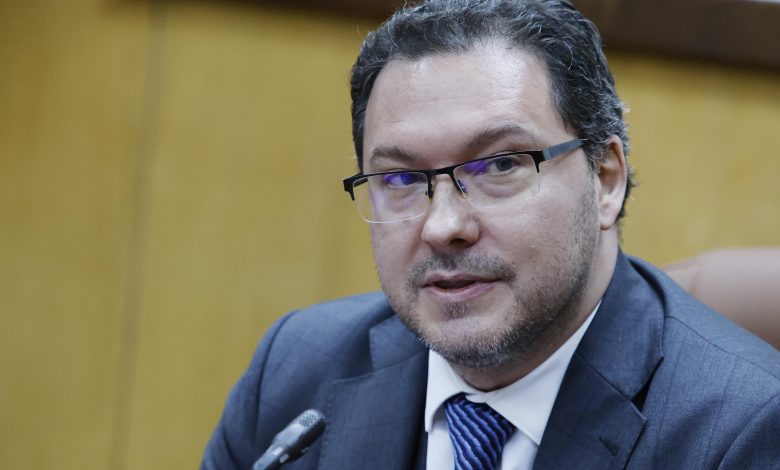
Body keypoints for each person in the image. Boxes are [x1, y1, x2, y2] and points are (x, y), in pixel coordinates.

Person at [202, 1, 780, 468]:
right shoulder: (296, 369)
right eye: (401, 178)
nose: (443, 226)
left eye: (500, 166)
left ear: (605, 180)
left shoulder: (742, 431)